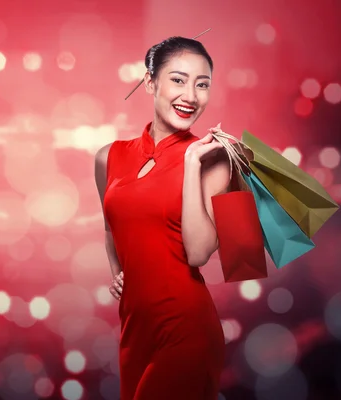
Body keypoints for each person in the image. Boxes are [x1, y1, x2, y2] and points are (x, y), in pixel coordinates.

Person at [95, 36, 229, 399]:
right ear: (150, 81)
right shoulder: (109, 156)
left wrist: (190, 163)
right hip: (134, 330)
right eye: (178, 80)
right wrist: (118, 274)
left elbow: (199, 252)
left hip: (187, 328)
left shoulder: (214, 160)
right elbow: (112, 227)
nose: (191, 95)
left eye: (202, 85)